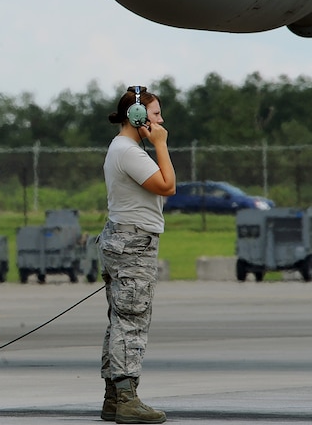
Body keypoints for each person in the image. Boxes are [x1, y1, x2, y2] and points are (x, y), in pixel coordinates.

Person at [98, 86, 176, 424]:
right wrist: (160, 143)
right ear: (138, 116)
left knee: (120, 320)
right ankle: (127, 400)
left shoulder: (124, 148)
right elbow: (167, 185)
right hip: (133, 245)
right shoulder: (129, 151)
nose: (160, 120)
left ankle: (114, 398)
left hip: (124, 240)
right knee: (131, 320)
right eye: (155, 114)